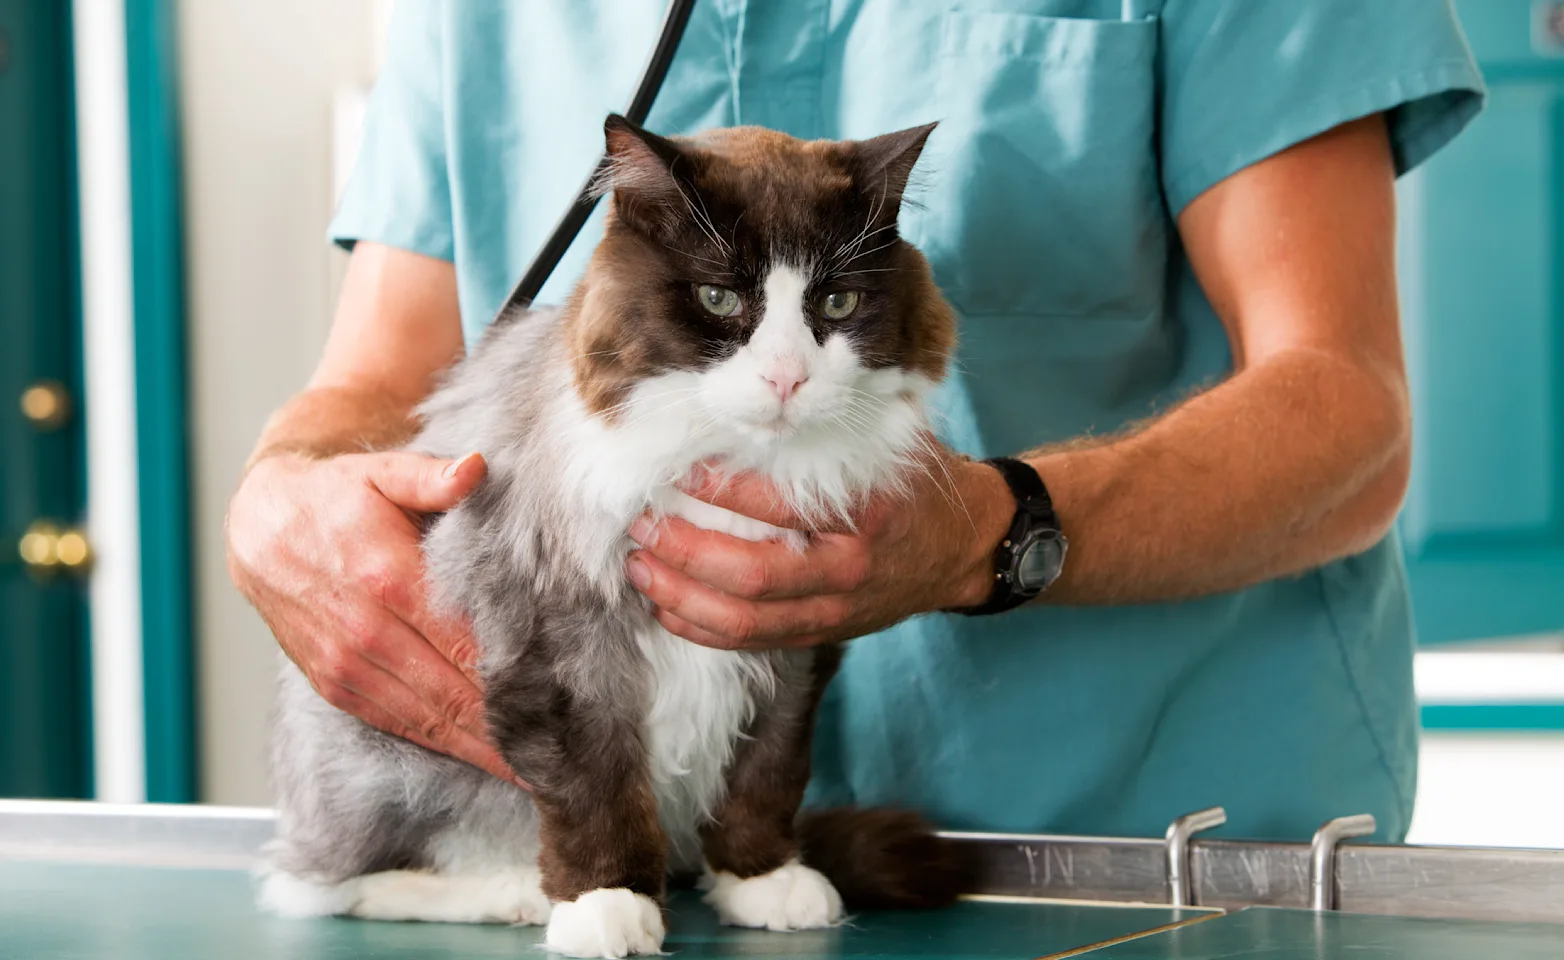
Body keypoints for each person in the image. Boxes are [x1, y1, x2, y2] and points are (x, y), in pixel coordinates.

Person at [228, 0, 1485, 841]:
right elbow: (377, 382)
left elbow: (1349, 417)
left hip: (1150, 848)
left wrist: (984, 533)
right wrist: (281, 495)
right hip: (651, 864)